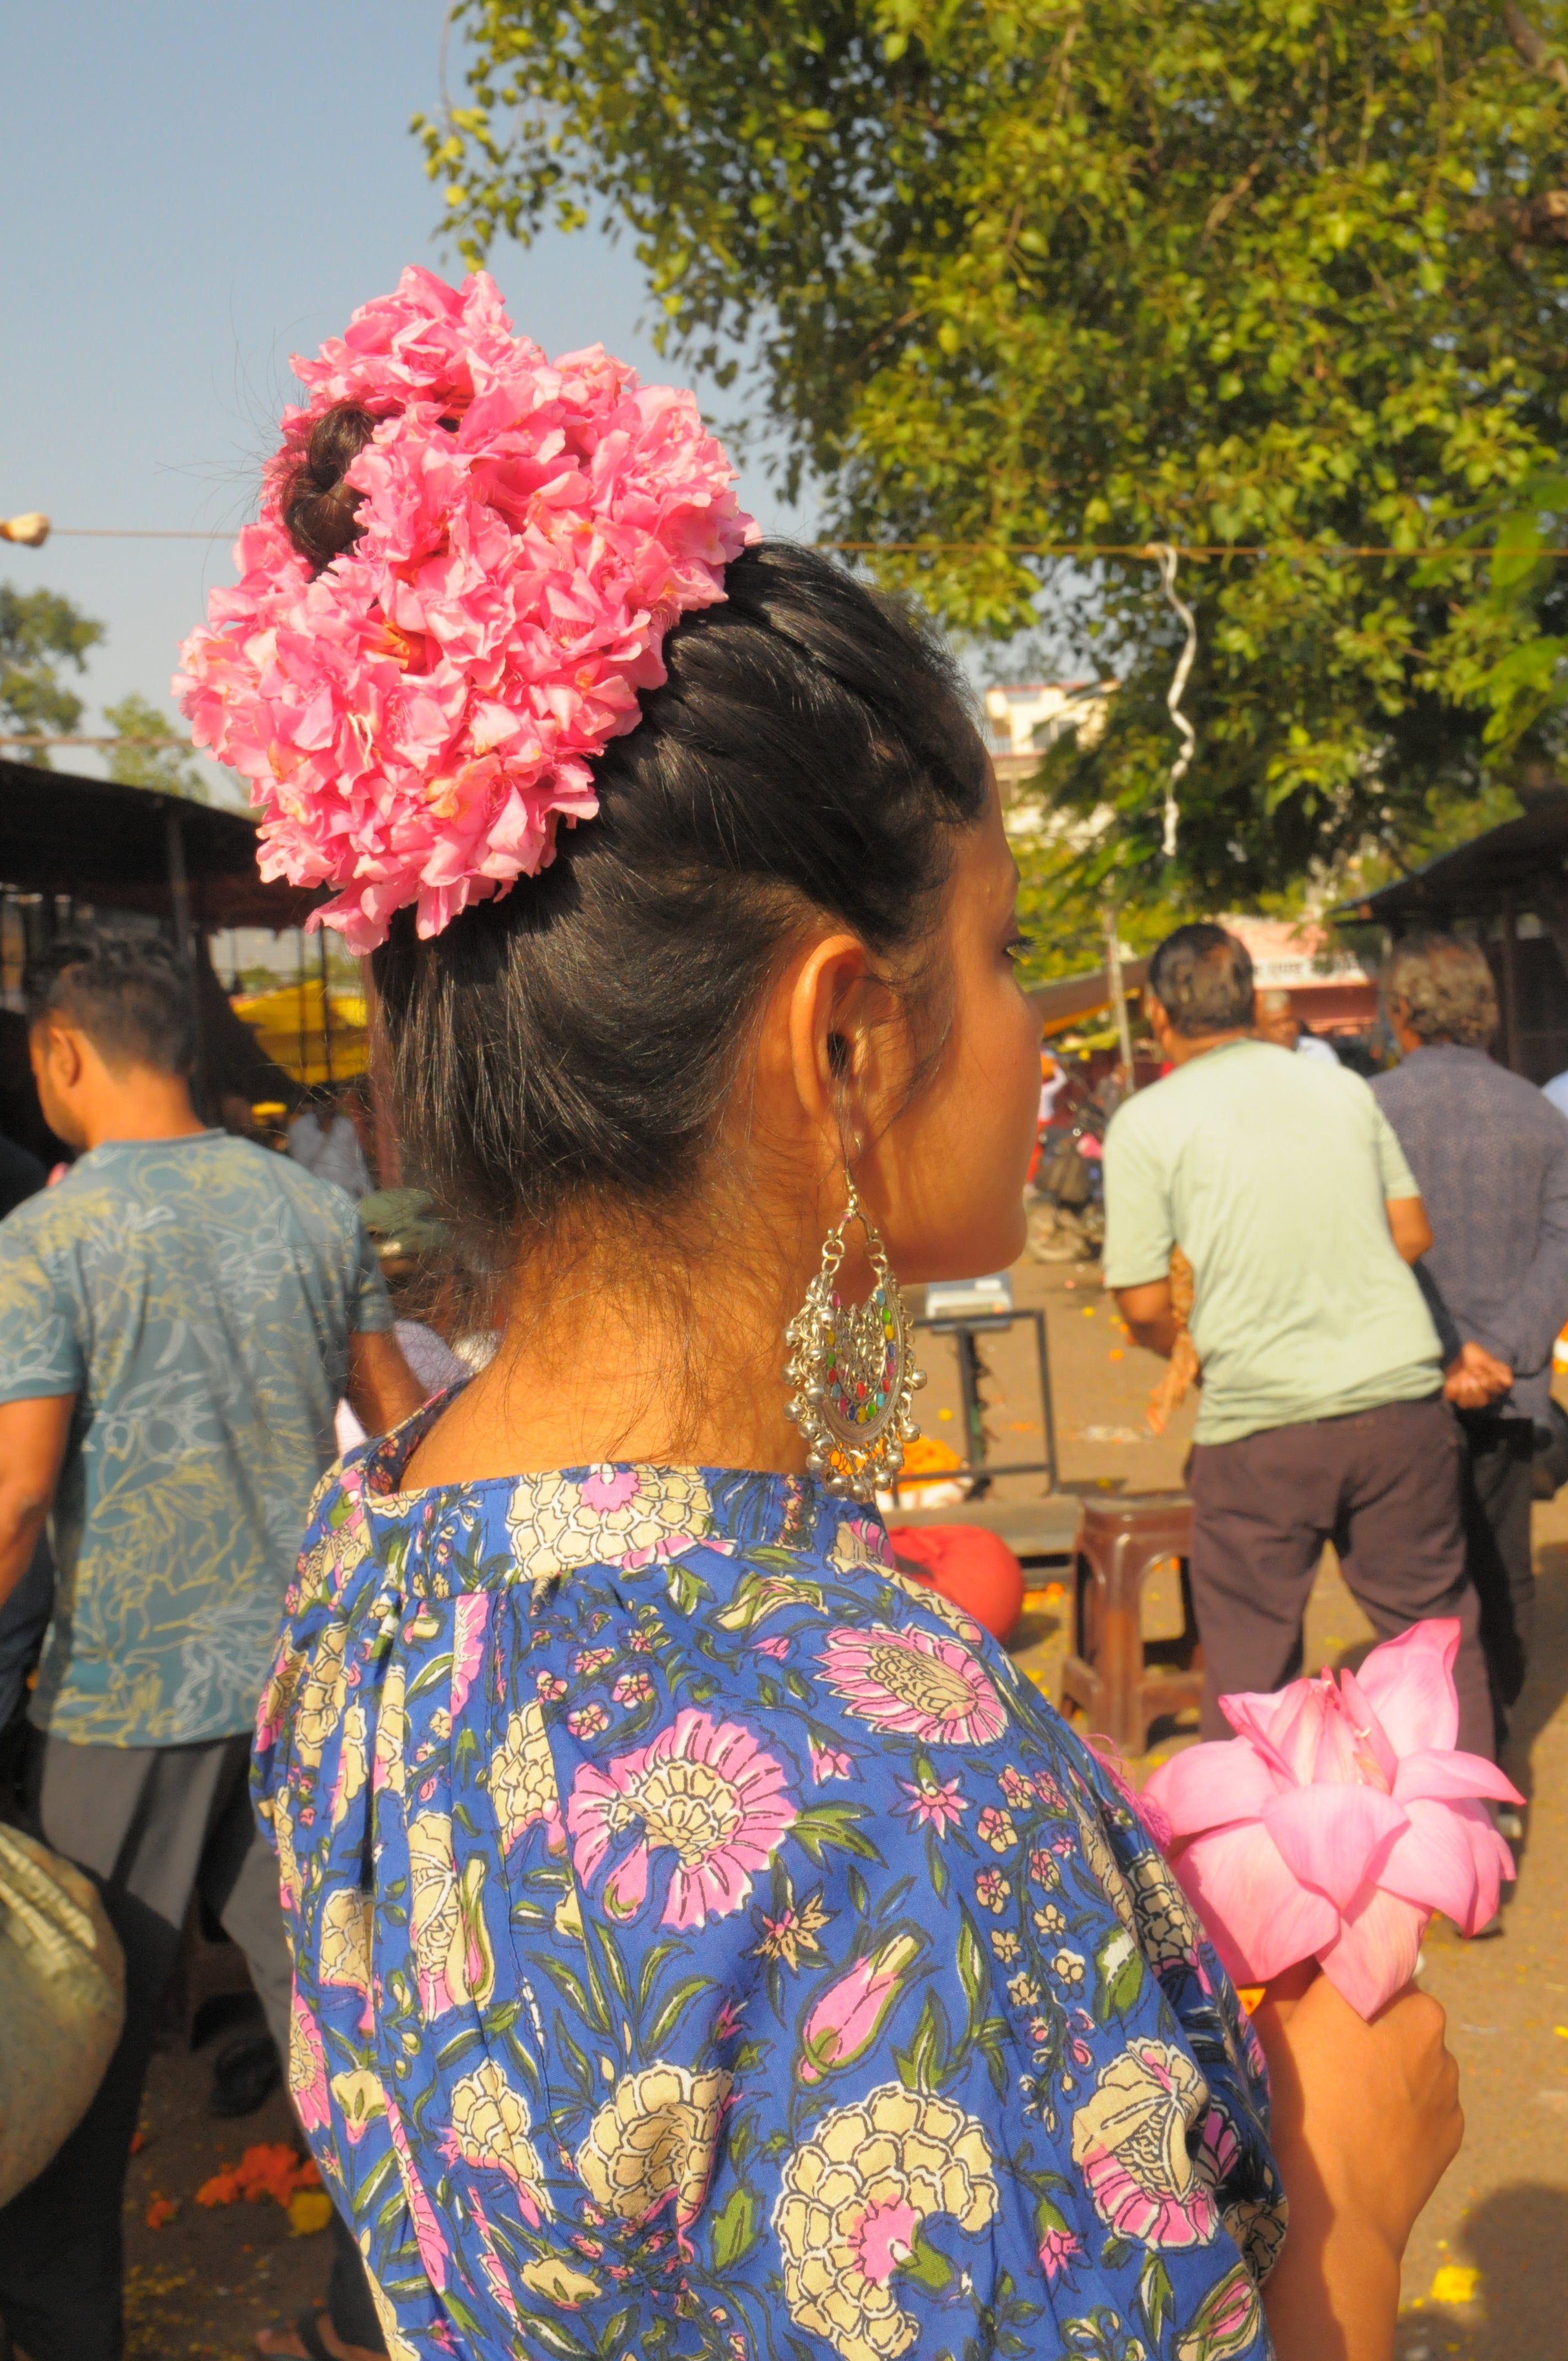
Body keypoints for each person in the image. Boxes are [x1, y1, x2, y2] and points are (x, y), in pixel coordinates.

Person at [182, 270, 1462, 2361]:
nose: (1038, 1015)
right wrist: (1343, 2203)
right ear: (846, 1036)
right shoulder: (891, 1794)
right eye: (1000, 942)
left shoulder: (379, 1554)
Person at [0, 934, 423, 2361]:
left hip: (117, 1705)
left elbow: (11, 1500)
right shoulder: (310, 1209)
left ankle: (66, 2336)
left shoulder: (48, 1238)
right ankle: (384, 2320)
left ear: (63, 1053)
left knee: (74, 2056)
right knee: (345, 2033)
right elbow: (403, 1427)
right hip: (301, 1690)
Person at [1103, 922, 1494, 1760]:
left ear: (1157, 1012)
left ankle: (1248, 1869)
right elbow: (1412, 1233)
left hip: (1260, 1429)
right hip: (1399, 1404)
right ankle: (1471, 1838)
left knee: (1250, 1654)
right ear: (1252, 1003)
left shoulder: (1146, 1122)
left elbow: (1139, 1307)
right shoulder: (1344, 1090)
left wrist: (1199, 1340)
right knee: (1430, 1626)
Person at [1371, 934, 1568, 1765]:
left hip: (1406, 1389)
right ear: (1485, 1013)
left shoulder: (1368, 1108)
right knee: (1505, 1572)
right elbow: (1563, 1240)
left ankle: (1441, 1754)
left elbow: (1370, 1248)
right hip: (1511, 1387)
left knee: (1421, 1580)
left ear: (1403, 1012)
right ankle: (1500, 1741)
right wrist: (1505, 1350)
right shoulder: (1539, 1110)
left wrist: (1447, 1354)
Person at [288, 1084, 373, 1200]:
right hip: (318, 1196)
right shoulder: (300, 1127)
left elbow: (358, 1162)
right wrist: (321, 1134)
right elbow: (300, 1163)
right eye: (325, 1103)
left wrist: (368, 1193)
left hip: (347, 1194)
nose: (328, 1107)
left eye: (332, 1102)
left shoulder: (346, 1125)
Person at [1254, 984, 1339, 1064]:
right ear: (1259, 1030)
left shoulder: (1318, 1052)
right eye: (1274, 1024)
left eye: (1289, 1020)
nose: (1285, 1029)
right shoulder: (1253, 1059)